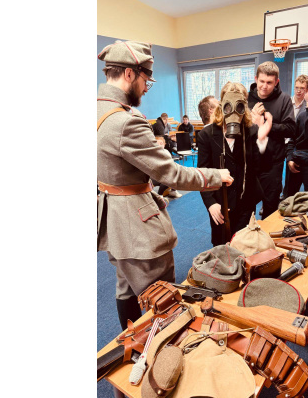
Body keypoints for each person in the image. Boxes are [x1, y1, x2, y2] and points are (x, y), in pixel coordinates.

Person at [97, 40, 233, 329]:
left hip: (111, 218)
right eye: (146, 80)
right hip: (138, 227)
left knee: (125, 286)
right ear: (130, 74)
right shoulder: (126, 122)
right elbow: (171, 174)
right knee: (162, 296)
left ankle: (134, 346)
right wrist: (215, 176)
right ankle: (160, 350)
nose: (147, 88)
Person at [197, 82, 273, 246]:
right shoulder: (207, 135)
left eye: (239, 106)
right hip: (220, 203)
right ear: (222, 105)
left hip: (245, 201)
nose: (233, 112)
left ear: (244, 107)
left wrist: (262, 139)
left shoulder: (250, 131)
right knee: (221, 246)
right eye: (228, 106)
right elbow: (203, 173)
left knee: (244, 246)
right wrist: (211, 203)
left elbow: (259, 168)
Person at [247, 61, 296, 219]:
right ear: (256, 79)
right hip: (249, 161)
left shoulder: (284, 99)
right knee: (247, 206)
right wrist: (251, 123)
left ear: (276, 82)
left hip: (272, 164)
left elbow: (291, 129)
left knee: (270, 205)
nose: (264, 86)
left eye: (269, 82)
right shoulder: (246, 99)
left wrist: (266, 125)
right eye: (261, 81)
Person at [285, 78, 308, 195]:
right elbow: (292, 139)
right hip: (296, 160)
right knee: (288, 196)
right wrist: (290, 158)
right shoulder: (302, 115)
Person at [282, 74, 308, 199]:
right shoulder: (286, 102)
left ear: (307, 90)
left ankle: (287, 196)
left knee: (291, 175)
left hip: (295, 144)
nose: (299, 91)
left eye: (302, 88)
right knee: (276, 173)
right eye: (297, 87)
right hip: (282, 141)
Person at [152, 113, 184, 198]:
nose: (160, 145)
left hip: (164, 173)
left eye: (161, 144)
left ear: (164, 144)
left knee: (173, 174)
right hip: (156, 175)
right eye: (158, 144)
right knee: (169, 177)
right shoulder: (153, 153)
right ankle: (160, 195)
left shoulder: (166, 152)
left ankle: (173, 191)